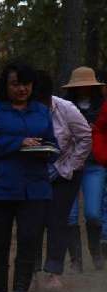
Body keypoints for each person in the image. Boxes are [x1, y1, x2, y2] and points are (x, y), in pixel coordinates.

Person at [0, 62, 58, 292]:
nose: (22, 89)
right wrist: (18, 143)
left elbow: (52, 142)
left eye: (27, 84)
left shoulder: (42, 112)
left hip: (35, 186)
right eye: (16, 84)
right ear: (5, 85)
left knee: (30, 241)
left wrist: (48, 151)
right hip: (0, 187)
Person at [31, 71, 91, 292]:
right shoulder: (25, 111)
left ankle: (53, 272)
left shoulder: (66, 109)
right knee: (33, 221)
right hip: (36, 172)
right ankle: (32, 271)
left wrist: (70, 166)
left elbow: (85, 137)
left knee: (57, 219)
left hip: (66, 173)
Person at [62, 66, 106, 271]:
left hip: (94, 164)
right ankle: (76, 261)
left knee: (93, 213)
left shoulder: (104, 106)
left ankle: (96, 252)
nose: (84, 89)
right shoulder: (63, 107)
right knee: (69, 215)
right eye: (80, 86)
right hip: (69, 163)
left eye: (87, 85)